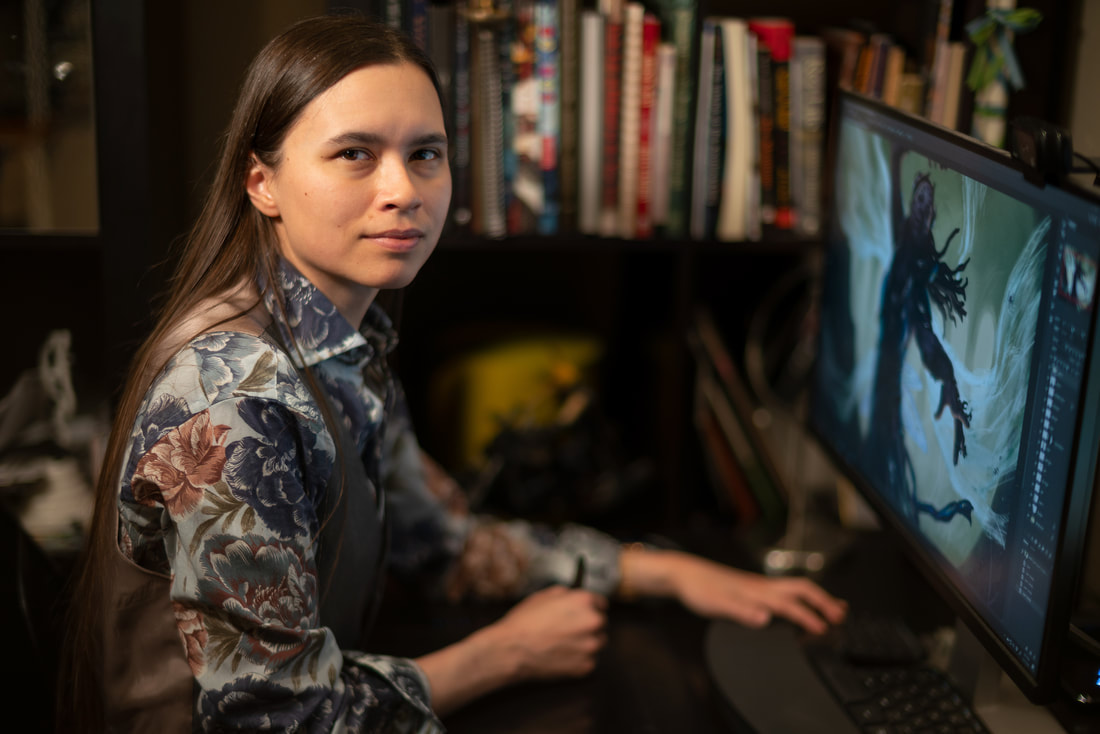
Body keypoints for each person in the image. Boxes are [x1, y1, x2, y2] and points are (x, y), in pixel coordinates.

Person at [61, 14, 847, 732]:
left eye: (424, 155)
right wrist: (501, 654)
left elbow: (442, 547)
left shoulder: (343, 342)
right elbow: (276, 715)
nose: (403, 191)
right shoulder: (237, 399)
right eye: (355, 155)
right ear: (261, 181)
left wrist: (659, 571)